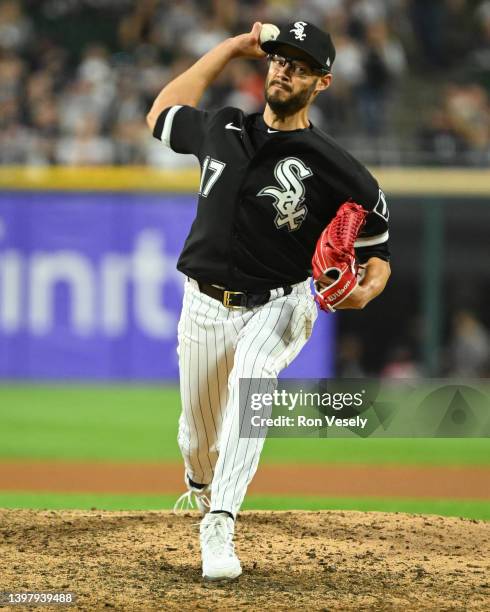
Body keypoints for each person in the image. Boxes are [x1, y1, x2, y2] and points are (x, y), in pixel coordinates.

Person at [146, 20, 391, 581]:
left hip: (280, 303)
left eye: (300, 66)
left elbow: (378, 256)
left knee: (253, 383)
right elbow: (161, 112)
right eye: (280, 60)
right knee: (197, 441)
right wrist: (231, 47)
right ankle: (203, 487)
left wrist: (365, 290)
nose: (284, 70)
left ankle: (221, 524)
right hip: (204, 304)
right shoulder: (221, 126)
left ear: (322, 83)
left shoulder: (339, 169)